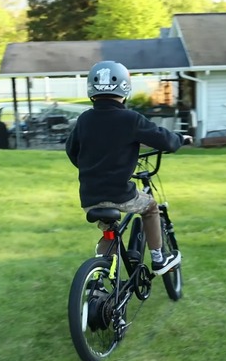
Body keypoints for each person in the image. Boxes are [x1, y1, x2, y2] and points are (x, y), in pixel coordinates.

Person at [65, 60, 191, 275]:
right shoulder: (131, 119)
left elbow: (72, 150)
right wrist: (181, 138)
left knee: (109, 231)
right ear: (125, 88)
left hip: (90, 196)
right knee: (151, 208)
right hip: (121, 195)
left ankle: (99, 274)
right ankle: (159, 259)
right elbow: (165, 140)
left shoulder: (85, 119)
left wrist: (92, 167)